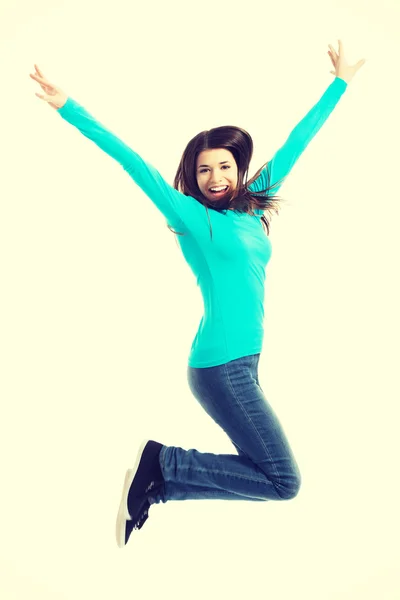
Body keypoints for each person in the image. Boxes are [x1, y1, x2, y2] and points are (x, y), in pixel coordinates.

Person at [29, 40, 366, 549]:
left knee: (271, 476)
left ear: (238, 168)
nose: (215, 177)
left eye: (225, 167)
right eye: (204, 169)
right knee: (283, 481)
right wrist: (68, 108)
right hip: (219, 366)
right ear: (193, 174)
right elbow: (131, 160)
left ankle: (158, 484)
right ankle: (163, 463)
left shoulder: (251, 207)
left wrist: (338, 83)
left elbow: (298, 142)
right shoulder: (190, 216)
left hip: (243, 362)